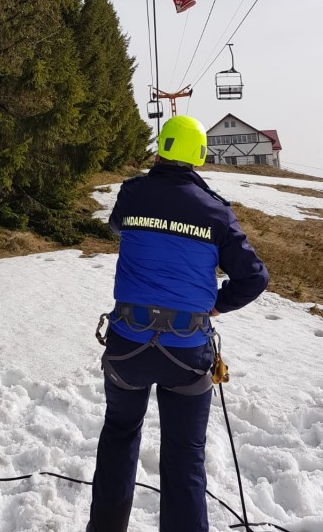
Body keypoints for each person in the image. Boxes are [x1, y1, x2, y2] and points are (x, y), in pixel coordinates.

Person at [86, 115, 269, 532]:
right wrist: (216, 307)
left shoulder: (132, 194)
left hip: (127, 348)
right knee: (185, 456)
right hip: (187, 353)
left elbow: (117, 225)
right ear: (199, 155)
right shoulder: (216, 213)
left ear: (162, 147)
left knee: (118, 435)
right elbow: (254, 277)